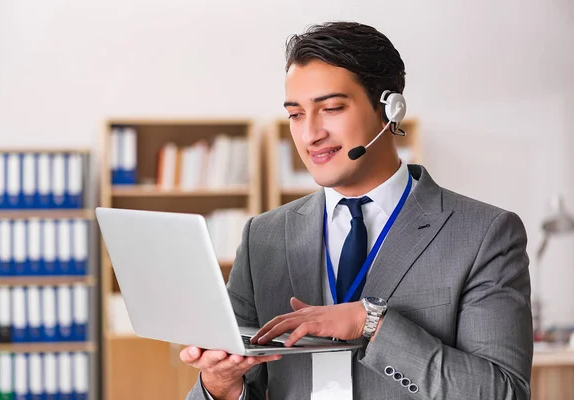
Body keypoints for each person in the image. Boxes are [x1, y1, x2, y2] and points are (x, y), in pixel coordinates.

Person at [181, 21, 533, 399]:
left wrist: (374, 326)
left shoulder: (483, 234)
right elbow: (239, 382)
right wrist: (218, 385)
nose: (309, 134)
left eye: (331, 108)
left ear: (390, 109)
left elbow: (505, 393)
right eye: (296, 114)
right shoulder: (263, 237)